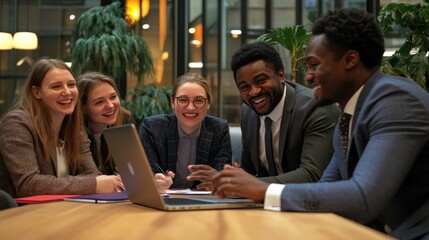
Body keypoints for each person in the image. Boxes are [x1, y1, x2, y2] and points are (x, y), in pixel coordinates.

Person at [211, 8, 429, 238]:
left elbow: (363, 197)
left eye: (315, 65)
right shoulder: (347, 117)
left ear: (350, 60)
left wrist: (264, 190)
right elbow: (325, 187)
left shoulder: (395, 100)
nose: (308, 76)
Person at [188, 41, 340, 189]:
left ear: (281, 75)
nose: (253, 92)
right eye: (245, 87)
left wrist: (242, 184)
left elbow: (312, 175)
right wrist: (225, 180)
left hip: (311, 206)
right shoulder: (248, 112)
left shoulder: (316, 107)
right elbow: (249, 173)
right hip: (265, 206)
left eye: (260, 81)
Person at [0, 59, 123, 198]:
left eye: (71, 85)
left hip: (62, 211)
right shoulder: (17, 123)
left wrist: (94, 182)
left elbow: (91, 174)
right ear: (36, 92)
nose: (67, 92)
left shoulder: (74, 126)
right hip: (21, 214)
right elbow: (28, 184)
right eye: (56, 87)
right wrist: (93, 184)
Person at [139, 72, 232, 190]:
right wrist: (154, 181)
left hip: (204, 202)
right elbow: (146, 173)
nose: (190, 107)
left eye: (199, 100)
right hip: (163, 199)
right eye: (183, 100)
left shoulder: (219, 129)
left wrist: (216, 180)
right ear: (173, 102)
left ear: (208, 103)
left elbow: (221, 176)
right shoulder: (152, 127)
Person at [77, 72, 131, 175]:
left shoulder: (124, 119)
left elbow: (132, 170)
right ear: (82, 108)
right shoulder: (74, 132)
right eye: (99, 102)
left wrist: (153, 180)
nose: (110, 105)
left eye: (113, 97)